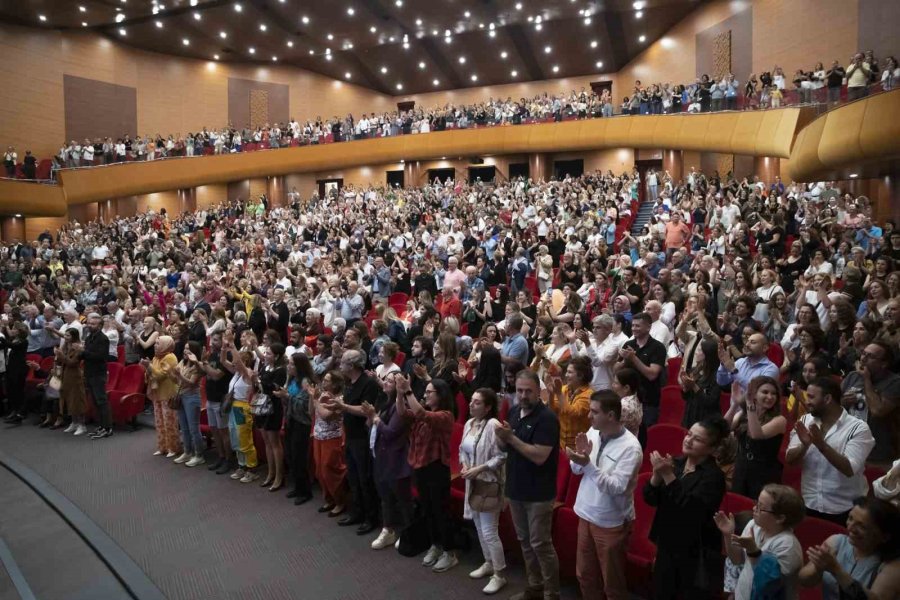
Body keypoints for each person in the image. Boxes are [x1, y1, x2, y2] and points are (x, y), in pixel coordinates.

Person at [566, 390, 642, 600]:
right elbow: (576, 469)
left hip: (611, 522)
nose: (589, 416)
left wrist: (587, 464)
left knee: (612, 584)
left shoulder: (631, 448)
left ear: (610, 415)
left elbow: (616, 487)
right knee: (585, 575)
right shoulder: (592, 431)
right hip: (586, 513)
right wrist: (579, 459)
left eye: (594, 412)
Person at [643, 416, 730, 600]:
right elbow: (651, 499)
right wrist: (657, 476)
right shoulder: (677, 463)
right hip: (667, 544)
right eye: (689, 434)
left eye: (697, 439)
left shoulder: (713, 477)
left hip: (694, 553)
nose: (688, 440)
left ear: (712, 450)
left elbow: (692, 511)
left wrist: (668, 476)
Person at [494, 369, 561, 600]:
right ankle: (535, 588)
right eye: (519, 390)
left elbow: (539, 456)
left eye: (528, 391)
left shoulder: (547, 419)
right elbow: (506, 449)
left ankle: (552, 594)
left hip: (539, 494)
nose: (523, 395)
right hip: (515, 488)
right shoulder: (513, 412)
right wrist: (501, 439)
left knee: (540, 544)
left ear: (538, 391)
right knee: (524, 542)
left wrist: (511, 438)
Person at [786, 377, 875, 525]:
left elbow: (849, 469)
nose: (806, 401)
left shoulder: (858, 428)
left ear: (827, 399)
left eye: (811, 397)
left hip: (846, 509)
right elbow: (790, 460)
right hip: (809, 503)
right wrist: (805, 445)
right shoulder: (805, 421)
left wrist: (822, 445)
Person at [397, 376, 458, 572]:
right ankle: (435, 545)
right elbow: (402, 412)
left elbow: (422, 414)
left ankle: (450, 552)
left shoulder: (445, 416)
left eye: (429, 392)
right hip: (421, 466)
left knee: (441, 512)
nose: (425, 395)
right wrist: (399, 393)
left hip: (437, 468)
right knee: (427, 509)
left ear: (440, 395)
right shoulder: (425, 412)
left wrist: (408, 391)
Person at [713, 484, 805, 600]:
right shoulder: (754, 525)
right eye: (756, 503)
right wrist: (728, 534)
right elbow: (737, 560)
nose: (753, 509)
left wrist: (753, 551)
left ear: (780, 518)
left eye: (760, 508)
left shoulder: (787, 545)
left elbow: (769, 586)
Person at [798, 496, 900, 600]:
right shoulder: (836, 542)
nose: (850, 528)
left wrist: (836, 570)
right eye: (850, 518)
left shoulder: (892, 565)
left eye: (861, 526)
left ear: (884, 537)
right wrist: (817, 569)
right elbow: (803, 581)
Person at [326, 349, 381, 535]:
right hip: (350, 435)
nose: (340, 364)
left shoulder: (369, 384)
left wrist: (344, 406)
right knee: (353, 476)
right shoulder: (350, 383)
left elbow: (367, 410)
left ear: (352, 365)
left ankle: (370, 517)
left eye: (343, 362)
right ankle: (356, 512)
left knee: (365, 478)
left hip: (362, 437)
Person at [459, 387, 508, 594]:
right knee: (479, 526)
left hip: (489, 483)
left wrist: (479, 468)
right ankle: (488, 562)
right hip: (473, 482)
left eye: (477, 402)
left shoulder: (493, 425)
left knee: (489, 531)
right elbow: (463, 449)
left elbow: (503, 456)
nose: (471, 405)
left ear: (488, 407)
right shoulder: (470, 423)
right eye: (471, 401)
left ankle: (500, 574)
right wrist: (464, 466)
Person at [362, 371, 413, 551]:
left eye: (390, 382)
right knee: (384, 496)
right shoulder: (383, 401)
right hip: (380, 455)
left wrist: (375, 417)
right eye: (386, 380)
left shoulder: (401, 406)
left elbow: (391, 432)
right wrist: (371, 416)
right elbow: (371, 424)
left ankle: (409, 532)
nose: (385, 383)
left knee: (402, 498)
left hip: (396, 458)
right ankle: (388, 529)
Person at [840, 341, 900, 465]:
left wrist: (867, 379)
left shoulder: (894, 383)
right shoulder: (853, 376)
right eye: (863, 354)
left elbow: (878, 410)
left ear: (884, 364)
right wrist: (843, 402)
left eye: (870, 356)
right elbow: (834, 407)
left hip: (877, 453)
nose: (863, 359)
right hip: (848, 445)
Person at [730, 376, 787, 500]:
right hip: (741, 468)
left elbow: (756, 435)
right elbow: (724, 428)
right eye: (765, 392)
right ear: (754, 394)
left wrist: (750, 405)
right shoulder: (744, 414)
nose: (770, 397)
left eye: (774, 394)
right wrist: (735, 404)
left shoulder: (779, 420)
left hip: (764, 473)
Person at [276, 352, 316, 505]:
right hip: (290, 420)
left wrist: (287, 396)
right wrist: (283, 395)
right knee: (291, 455)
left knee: (299, 457)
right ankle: (297, 487)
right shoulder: (292, 379)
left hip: (301, 423)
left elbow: (304, 406)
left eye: (292, 364)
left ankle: (305, 491)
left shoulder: (306, 382)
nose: (289, 366)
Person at [615, 312, 666, 431]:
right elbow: (615, 370)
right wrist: (624, 362)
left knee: (644, 437)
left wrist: (634, 358)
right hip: (626, 399)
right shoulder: (628, 344)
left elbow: (652, 374)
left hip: (648, 402)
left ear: (648, 327)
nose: (634, 329)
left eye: (638, 326)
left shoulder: (657, 347)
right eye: (632, 325)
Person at [220, 340, 260, 483]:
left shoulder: (247, 374)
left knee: (245, 439)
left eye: (236, 362)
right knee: (235, 438)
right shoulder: (236, 373)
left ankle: (252, 468)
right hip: (232, 407)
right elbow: (223, 360)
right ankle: (241, 466)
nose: (233, 363)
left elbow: (238, 362)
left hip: (242, 408)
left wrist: (233, 347)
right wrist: (224, 349)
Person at [311, 371, 348, 517]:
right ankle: (329, 499)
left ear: (335, 384)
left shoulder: (340, 399)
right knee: (319, 470)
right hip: (318, 435)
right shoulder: (322, 394)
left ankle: (340, 501)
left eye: (327, 380)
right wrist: (312, 397)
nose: (323, 382)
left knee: (330, 470)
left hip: (332, 437)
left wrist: (315, 401)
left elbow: (326, 416)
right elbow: (312, 412)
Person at [197, 332, 234, 474]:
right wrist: (201, 362)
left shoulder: (226, 356)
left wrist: (204, 364)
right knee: (214, 430)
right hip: (210, 398)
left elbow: (217, 375)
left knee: (223, 432)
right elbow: (204, 373)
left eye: (216, 340)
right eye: (212, 340)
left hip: (221, 398)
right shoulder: (211, 355)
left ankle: (228, 460)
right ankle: (221, 456)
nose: (212, 343)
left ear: (223, 341)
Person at [256, 343, 288, 491]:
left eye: (268, 354)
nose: (265, 356)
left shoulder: (281, 370)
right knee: (267, 442)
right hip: (261, 406)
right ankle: (271, 472)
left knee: (275, 443)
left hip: (273, 407)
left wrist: (260, 382)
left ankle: (279, 476)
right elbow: (261, 384)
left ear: (276, 356)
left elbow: (273, 387)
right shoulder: (264, 367)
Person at [545, 356, 593, 450]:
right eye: (566, 371)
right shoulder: (563, 389)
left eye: (570, 372)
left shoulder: (589, 395)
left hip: (579, 448)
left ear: (581, 375)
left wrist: (558, 394)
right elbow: (553, 412)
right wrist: (551, 395)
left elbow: (573, 414)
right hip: (561, 445)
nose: (566, 375)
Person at [171, 341, 206, 467]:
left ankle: (199, 455)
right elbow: (176, 380)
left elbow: (191, 383)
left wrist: (179, 375)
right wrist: (173, 375)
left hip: (192, 397)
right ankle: (187, 451)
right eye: (185, 349)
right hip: (181, 396)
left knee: (193, 428)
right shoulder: (182, 362)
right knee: (184, 427)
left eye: (189, 350)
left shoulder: (197, 366)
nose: (185, 352)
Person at [82, 313, 113, 439]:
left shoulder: (103, 339)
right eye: (89, 323)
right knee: (95, 401)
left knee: (101, 401)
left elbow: (100, 356)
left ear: (99, 325)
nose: (90, 326)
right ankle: (101, 425)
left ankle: (107, 427)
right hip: (89, 372)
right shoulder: (89, 338)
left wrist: (83, 352)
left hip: (98, 373)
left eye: (93, 324)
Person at [679, 339, 722, 429]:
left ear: (708, 354)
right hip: (691, 414)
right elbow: (686, 397)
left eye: (700, 350)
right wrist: (685, 388)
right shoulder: (695, 369)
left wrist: (694, 386)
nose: (696, 353)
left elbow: (711, 402)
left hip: (706, 418)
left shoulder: (717, 375)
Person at [55, 328, 88, 435]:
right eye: (65, 335)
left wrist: (61, 355)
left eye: (68, 336)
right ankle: (74, 422)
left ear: (74, 336)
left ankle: (82, 425)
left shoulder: (78, 347)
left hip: (75, 376)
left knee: (77, 400)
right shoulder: (65, 345)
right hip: (65, 375)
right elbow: (61, 361)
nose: (65, 337)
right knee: (68, 399)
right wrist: (58, 355)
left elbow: (72, 363)